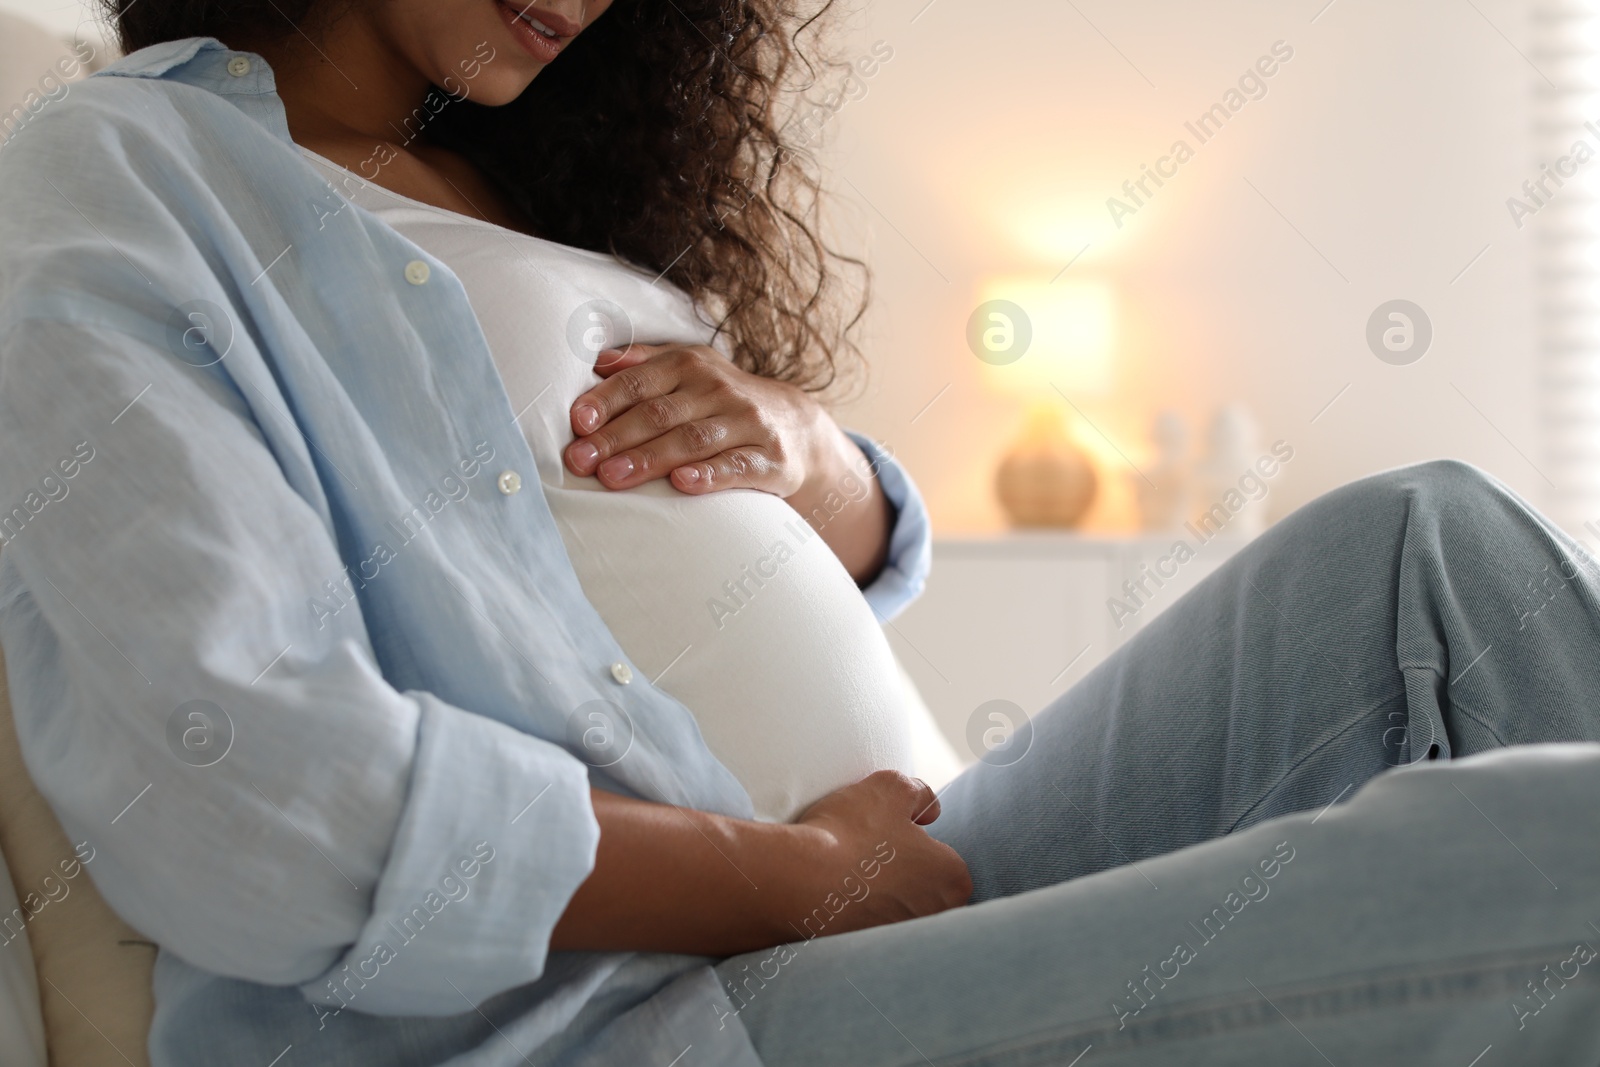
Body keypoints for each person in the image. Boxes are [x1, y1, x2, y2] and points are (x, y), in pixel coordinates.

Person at [1, 2, 1599, 1064]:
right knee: (1548, 855)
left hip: (887, 877)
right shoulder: (127, 177)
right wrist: (798, 878)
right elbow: (253, 799)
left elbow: (780, 537)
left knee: (1430, 554)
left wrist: (821, 454)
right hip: (629, 1020)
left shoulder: (512, 185)